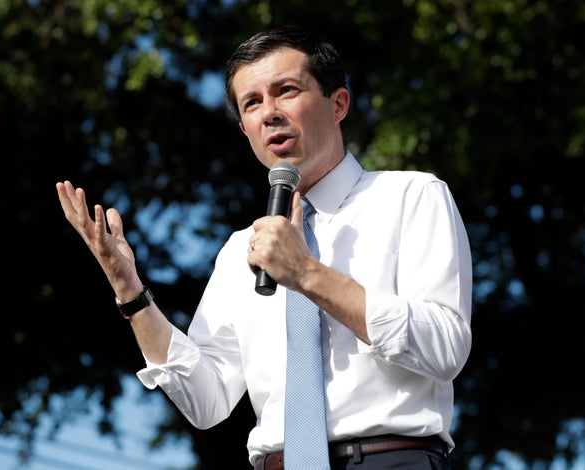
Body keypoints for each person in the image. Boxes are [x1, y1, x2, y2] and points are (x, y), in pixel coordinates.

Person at [56, 26, 472, 470]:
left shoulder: (410, 197)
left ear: (338, 104)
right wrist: (131, 291)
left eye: (286, 91)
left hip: (391, 460)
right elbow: (206, 400)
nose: (269, 113)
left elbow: (445, 347)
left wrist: (308, 275)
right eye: (252, 102)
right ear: (245, 129)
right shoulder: (241, 250)